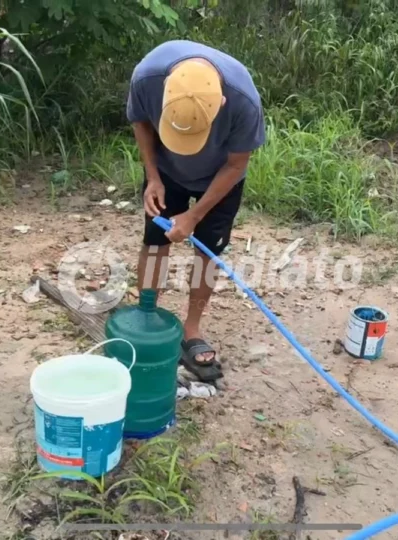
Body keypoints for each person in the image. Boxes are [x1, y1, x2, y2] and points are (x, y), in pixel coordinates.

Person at [126, 40, 265, 383]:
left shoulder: (244, 102)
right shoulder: (147, 77)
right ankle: (147, 316)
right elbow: (141, 121)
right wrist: (153, 177)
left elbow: (235, 165)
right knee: (156, 241)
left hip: (219, 178)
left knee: (207, 252)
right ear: (165, 93)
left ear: (220, 103)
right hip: (166, 170)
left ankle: (191, 328)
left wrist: (194, 216)